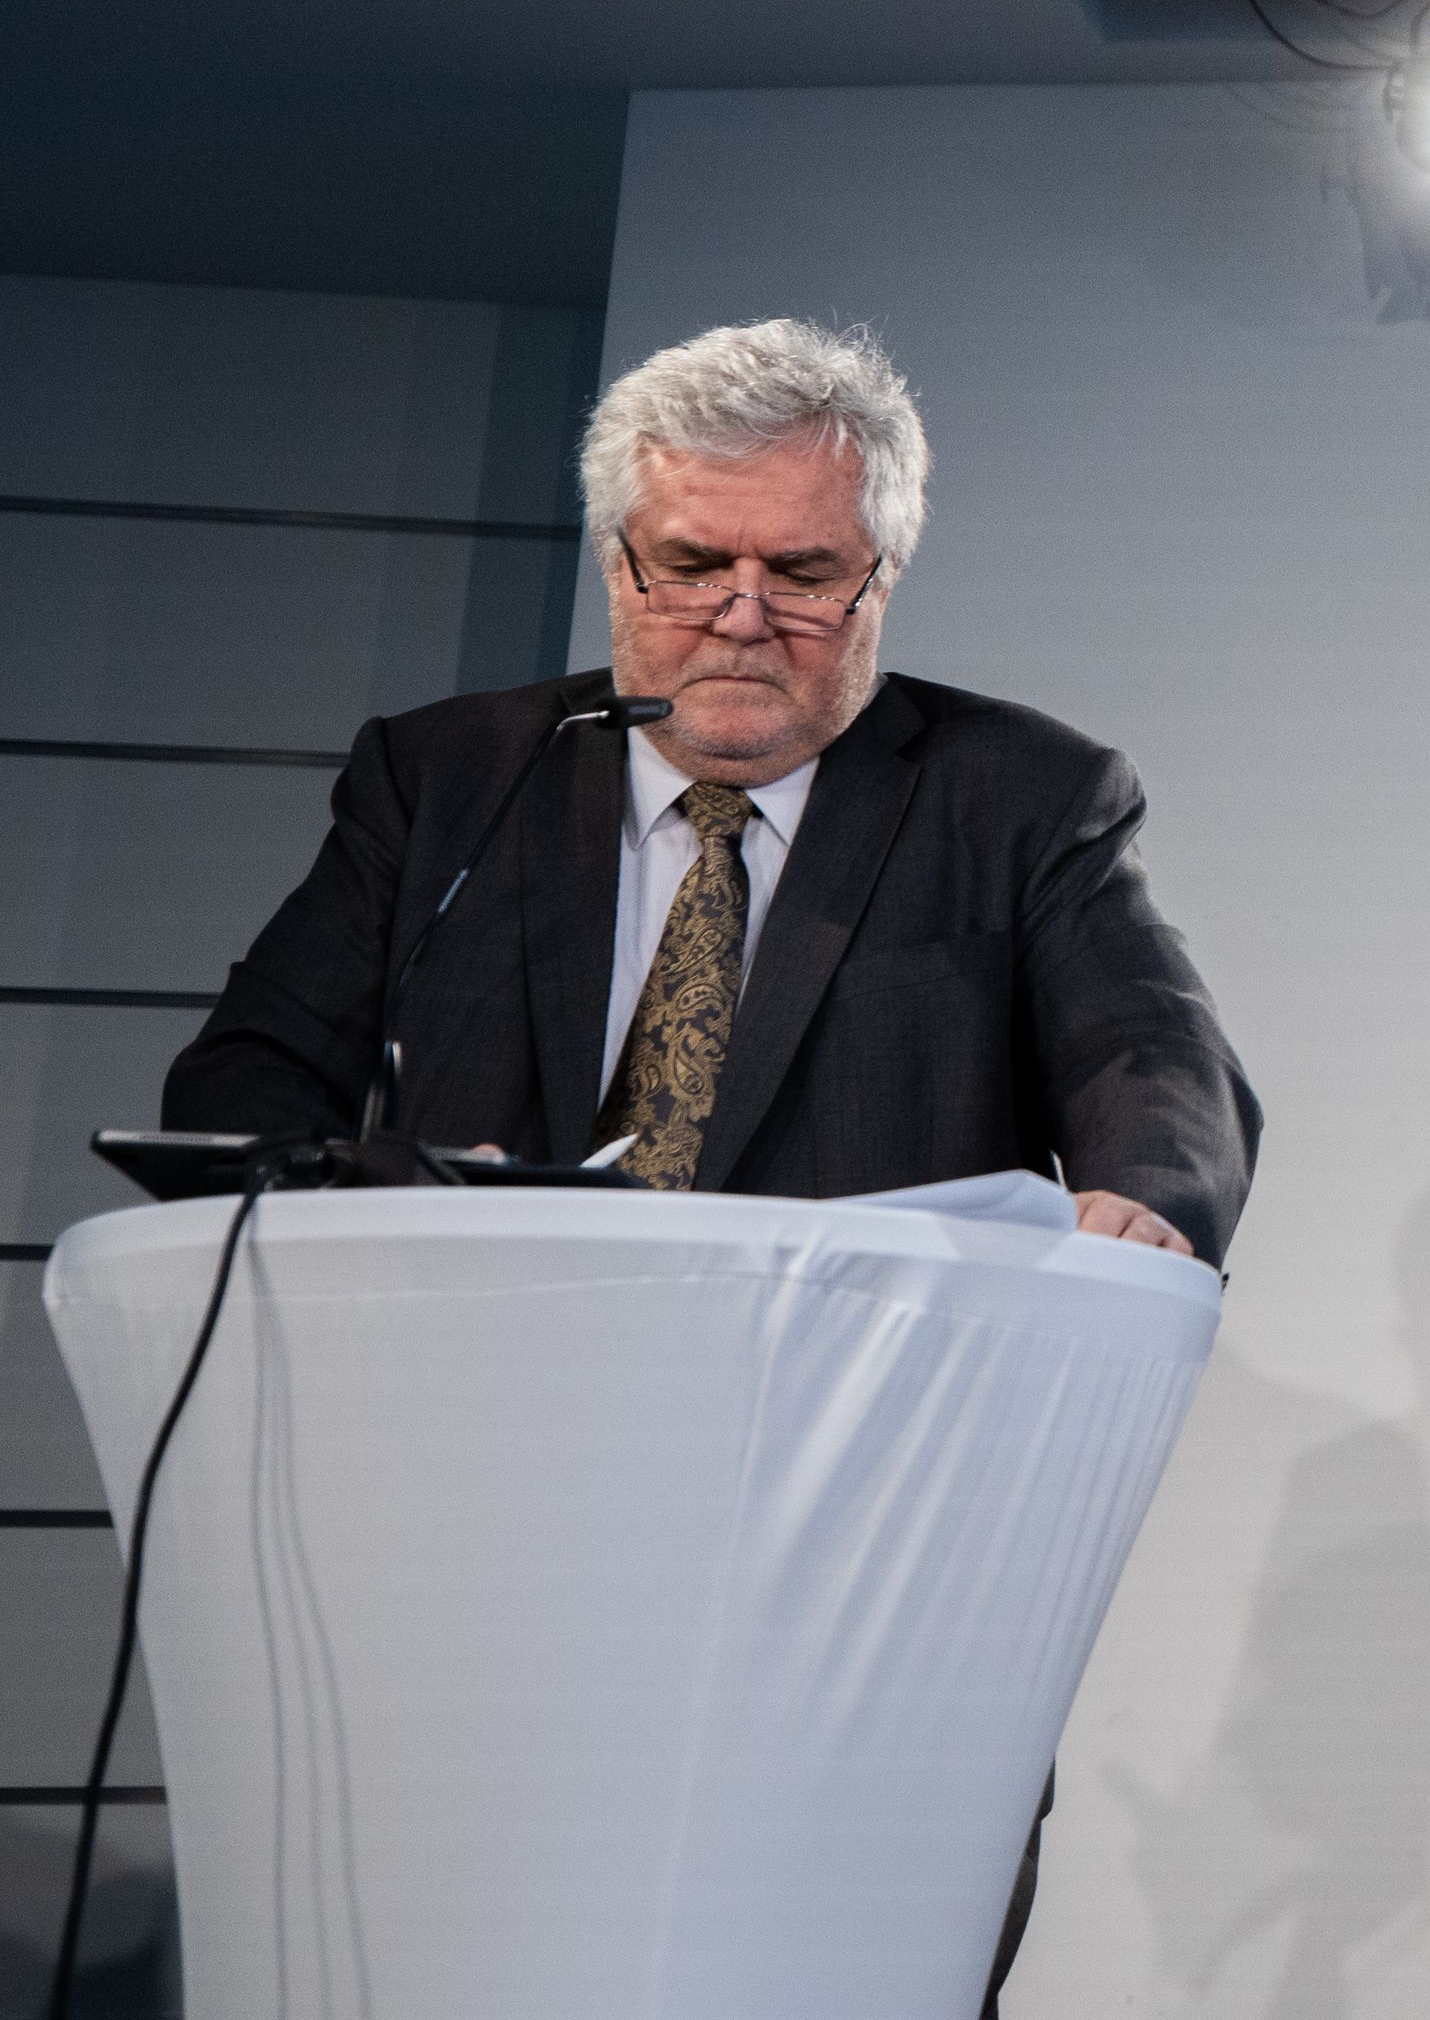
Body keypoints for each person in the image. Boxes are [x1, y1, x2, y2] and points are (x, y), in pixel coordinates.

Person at [162, 316, 1263, 2008]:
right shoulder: (448, 780)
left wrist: (1148, 1198)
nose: (743, 612)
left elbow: (1157, 1063)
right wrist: (403, 1194)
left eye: (804, 572)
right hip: (482, 1507)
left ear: (882, 573)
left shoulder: (1020, 797)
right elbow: (243, 1086)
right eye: (695, 564)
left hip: (858, 1530)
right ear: (620, 561)